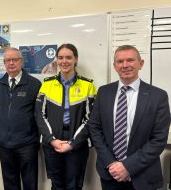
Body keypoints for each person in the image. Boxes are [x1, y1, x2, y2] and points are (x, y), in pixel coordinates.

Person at [89, 45, 171, 190]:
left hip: (143, 176)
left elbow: (159, 139)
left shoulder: (158, 96)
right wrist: (112, 164)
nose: (125, 65)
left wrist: (127, 166)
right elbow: (95, 128)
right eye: (120, 61)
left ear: (141, 63)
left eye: (130, 60)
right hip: (110, 174)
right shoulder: (104, 92)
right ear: (115, 66)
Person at [35, 43, 96, 190]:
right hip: (52, 144)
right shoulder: (47, 85)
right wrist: (52, 140)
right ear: (56, 60)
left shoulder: (88, 86)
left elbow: (91, 119)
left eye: (68, 57)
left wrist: (73, 144)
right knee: (56, 184)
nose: (64, 61)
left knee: (74, 185)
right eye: (60, 57)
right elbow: (39, 115)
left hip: (77, 144)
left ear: (76, 59)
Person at [0, 47, 41, 190]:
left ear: (22, 62)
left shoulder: (34, 84)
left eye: (15, 59)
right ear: (4, 63)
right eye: (8, 60)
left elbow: (39, 113)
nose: (11, 63)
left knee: (30, 183)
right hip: (5, 145)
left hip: (27, 144)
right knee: (10, 184)